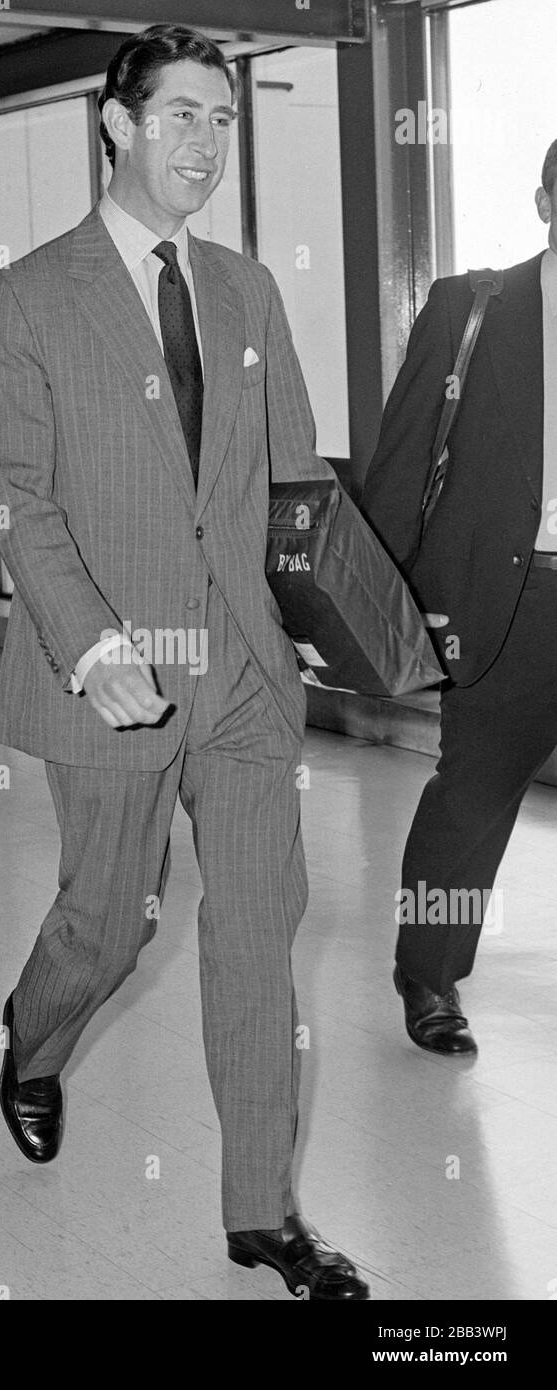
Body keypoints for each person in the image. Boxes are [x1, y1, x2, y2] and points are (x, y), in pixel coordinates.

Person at [0, 23, 367, 1299]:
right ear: (117, 123)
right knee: (112, 922)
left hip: (242, 670)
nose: (207, 145)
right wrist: (89, 645)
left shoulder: (247, 289)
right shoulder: (27, 297)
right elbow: (21, 502)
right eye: (184, 116)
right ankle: (34, 1034)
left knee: (257, 928)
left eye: (223, 119)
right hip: (117, 675)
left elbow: (292, 480)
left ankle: (263, 1214)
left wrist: (347, 622)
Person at [361, 139, 557, 1056]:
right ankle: (428, 977)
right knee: (469, 797)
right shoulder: (472, 307)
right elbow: (403, 460)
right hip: (504, 603)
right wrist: (375, 608)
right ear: (543, 201)